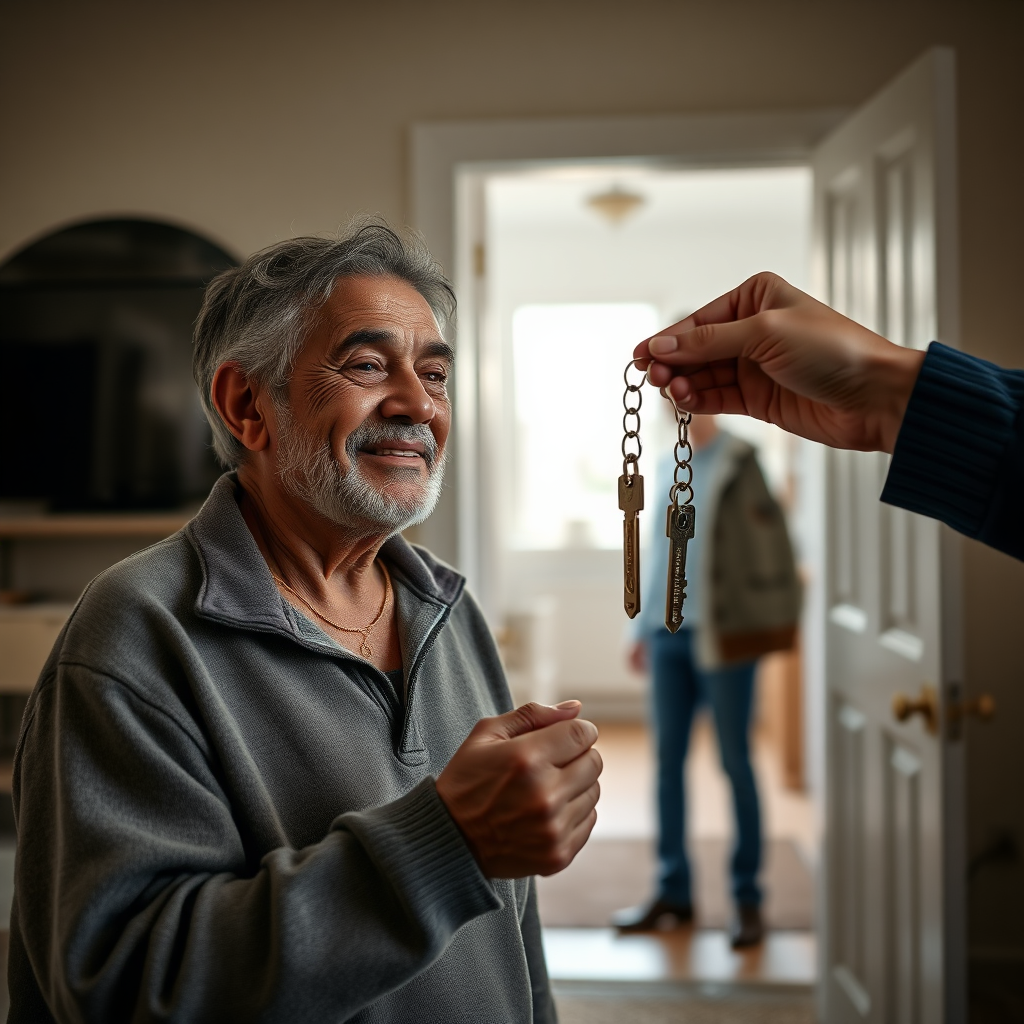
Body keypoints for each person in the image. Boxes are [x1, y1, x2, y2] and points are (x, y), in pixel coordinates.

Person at [9, 224, 603, 1022]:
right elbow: (122, 990)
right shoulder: (134, 638)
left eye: (434, 373)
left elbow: (512, 931)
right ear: (246, 404)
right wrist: (447, 844)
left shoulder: (447, 609)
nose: (419, 404)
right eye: (366, 365)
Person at [632, 271, 1024, 563]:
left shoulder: (740, 457)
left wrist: (886, 393)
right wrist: (888, 399)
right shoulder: (669, 464)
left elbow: (768, 536)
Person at [611, 410, 800, 947]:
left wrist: (773, 620)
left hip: (725, 636)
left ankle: (748, 900)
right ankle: (674, 892)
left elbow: (772, 548)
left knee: (735, 762)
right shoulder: (669, 461)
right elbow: (658, 552)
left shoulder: (743, 461)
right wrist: (643, 629)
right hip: (668, 637)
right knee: (667, 765)